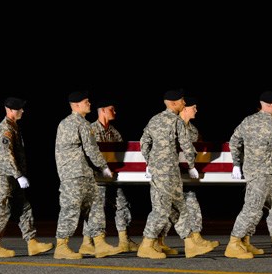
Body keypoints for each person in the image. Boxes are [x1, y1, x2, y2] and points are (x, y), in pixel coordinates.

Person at [225, 90, 272, 259]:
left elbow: (234, 142)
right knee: (252, 208)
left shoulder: (247, 121)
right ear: (269, 105)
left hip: (260, 171)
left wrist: (237, 164)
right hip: (261, 173)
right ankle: (234, 243)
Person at [137, 89, 214, 259]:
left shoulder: (154, 120)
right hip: (168, 172)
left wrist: (150, 161)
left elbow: (144, 142)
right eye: (181, 101)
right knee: (161, 209)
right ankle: (147, 244)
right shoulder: (176, 121)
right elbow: (187, 145)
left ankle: (190, 244)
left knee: (180, 208)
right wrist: (192, 166)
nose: (184, 104)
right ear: (173, 103)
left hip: (164, 171)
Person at [54, 90, 122, 259]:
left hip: (79, 173)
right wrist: (104, 167)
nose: (89, 104)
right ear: (76, 105)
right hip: (75, 174)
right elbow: (91, 149)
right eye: (86, 102)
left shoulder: (64, 123)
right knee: (71, 209)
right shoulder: (81, 124)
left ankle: (99, 244)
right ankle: (61, 247)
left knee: (95, 207)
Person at [0, 97, 53, 258]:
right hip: (3, 177)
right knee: (1, 209)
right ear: (9, 110)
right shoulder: (5, 129)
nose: (22, 111)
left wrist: (18, 175)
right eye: (19, 109)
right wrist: (19, 176)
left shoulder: (13, 126)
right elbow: (6, 155)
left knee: (23, 207)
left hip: (13, 176)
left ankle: (32, 243)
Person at [157, 96, 219, 254]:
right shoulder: (170, 123)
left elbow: (196, 151)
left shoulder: (193, 130)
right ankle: (158, 241)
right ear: (185, 108)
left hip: (185, 176)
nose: (196, 110)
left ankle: (196, 237)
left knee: (191, 203)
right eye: (194, 107)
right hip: (169, 174)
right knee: (169, 210)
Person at [77, 99, 140, 255]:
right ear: (103, 110)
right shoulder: (91, 129)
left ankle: (124, 240)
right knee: (96, 209)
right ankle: (87, 241)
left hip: (114, 177)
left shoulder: (114, 132)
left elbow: (120, 155)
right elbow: (87, 155)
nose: (115, 112)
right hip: (96, 178)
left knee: (122, 204)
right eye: (112, 109)